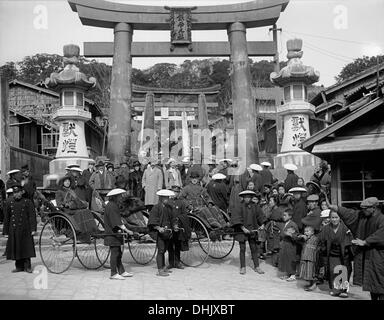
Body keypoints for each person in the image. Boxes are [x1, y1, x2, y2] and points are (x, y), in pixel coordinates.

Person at [328, 197, 384, 300]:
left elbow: (381, 234)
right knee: (371, 283)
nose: (363, 211)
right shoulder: (363, 216)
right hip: (367, 256)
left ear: (374, 208)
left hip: (378, 255)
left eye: (366, 208)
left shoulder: (381, 219)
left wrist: (366, 241)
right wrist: (336, 208)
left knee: (380, 282)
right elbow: (350, 213)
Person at [317, 210, 353, 298]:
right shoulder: (326, 228)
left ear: (340, 218)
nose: (334, 220)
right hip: (332, 253)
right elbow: (320, 240)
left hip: (344, 253)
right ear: (330, 218)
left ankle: (344, 290)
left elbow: (351, 238)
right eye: (332, 217)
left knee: (344, 270)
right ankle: (336, 289)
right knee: (333, 270)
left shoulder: (345, 228)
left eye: (336, 217)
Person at [2, 185, 37, 273]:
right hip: (14, 229)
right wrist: (5, 232)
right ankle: (19, 267)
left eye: (18, 192)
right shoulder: (9, 202)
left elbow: (32, 216)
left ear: (21, 192)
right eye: (14, 193)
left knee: (26, 248)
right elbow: (7, 218)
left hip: (25, 229)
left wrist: (33, 229)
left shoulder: (27, 202)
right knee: (16, 248)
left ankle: (27, 266)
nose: (16, 194)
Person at [231, 190, 266, 275]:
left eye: (249, 197)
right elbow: (236, 217)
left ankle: (257, 266)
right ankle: (243, 267)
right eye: (246, 197)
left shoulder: (255, 206)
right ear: (243, 197)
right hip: (241, 230)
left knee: (254, 248)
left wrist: (262, 224)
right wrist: (242, 228)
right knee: (242, 248)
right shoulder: (238, 206)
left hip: (252, 229)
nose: (247, 198)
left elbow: (260, 215)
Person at [104, 188, 134, 280]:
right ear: (115, 197)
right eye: (120, 196)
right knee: (115, 253)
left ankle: (121, 271)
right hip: (112, 233)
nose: (121, 198)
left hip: (115, 232)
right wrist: (127, 230)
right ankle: (113, 273)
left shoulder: (113, 205)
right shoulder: (112, 206)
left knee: (118, 252)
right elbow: (117, 222)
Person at [148, 189, 177, 276]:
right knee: (161, 250)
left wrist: (175, 226)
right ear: (160, 198)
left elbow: (173, 218)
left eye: (168, 197)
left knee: (164, 250)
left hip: (168, 232)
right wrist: (158, 228)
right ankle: (160, 270)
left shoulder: (169, 207)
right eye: (165, 197)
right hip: (160, 233)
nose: (167, 199)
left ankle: (164, 267)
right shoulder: (156, 208)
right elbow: (152, 220)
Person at [167, 185, 191, 270]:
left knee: (177, 245)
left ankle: (177, 262)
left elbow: (184, 215)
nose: (175, 193)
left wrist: (179, 221)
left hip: (178, 226)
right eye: (174, 191)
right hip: (169, 226)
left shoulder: (181, 202)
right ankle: (170, 263)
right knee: (170, 245)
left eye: (177, 192)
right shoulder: (167, 202)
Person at [278, 209, 299, 281]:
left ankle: (293, 274)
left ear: (290, 216)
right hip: (284, 244)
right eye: (283, 215)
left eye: (285, 215)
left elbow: (296, 236)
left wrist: (290, 235)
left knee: (291, 259)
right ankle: (288, 273)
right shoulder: (285, 224)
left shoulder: (293, 224)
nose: (283, 217)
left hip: (290, 245)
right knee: (285, 259)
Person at [297, 226, 319, 291]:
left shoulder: (315, 238)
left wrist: (305, 238)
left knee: (311, 271)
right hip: (305, 256)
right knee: (307, 271)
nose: (305, 232)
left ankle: (313, 285)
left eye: (307, 231)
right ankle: (310, 283)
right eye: (305, 231)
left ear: (312, 232)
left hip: (311, 257)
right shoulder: (305, 238)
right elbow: (298, 239)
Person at [265, 195, 284, 266]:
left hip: (277, 229)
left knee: (276, 246)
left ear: (275, 202)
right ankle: (275, 261)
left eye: (271, 201)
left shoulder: (278, 210)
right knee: (273, 245)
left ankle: (277, 262)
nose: (269, 202)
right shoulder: (273, 209)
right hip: (273, 228)